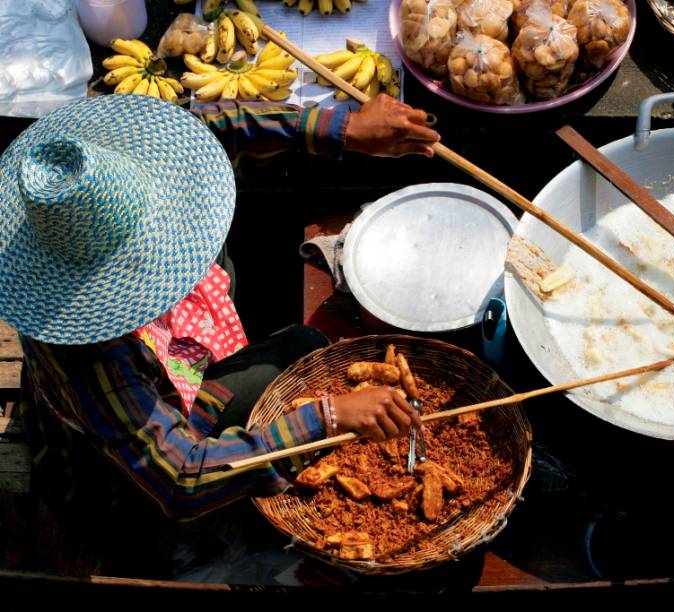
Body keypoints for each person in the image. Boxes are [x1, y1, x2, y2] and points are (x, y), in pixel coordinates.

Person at [0, 93, 438, 577]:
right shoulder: (89, 357)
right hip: (113, 476)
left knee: (301, 349)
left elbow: (215, 122)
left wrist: (341, 127)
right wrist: (326, 419)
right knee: (192, 521)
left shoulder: (120, 162)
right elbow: (181, 478)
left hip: (168, 371)